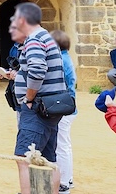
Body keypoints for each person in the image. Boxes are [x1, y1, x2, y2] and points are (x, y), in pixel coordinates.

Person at [11, 2, 65, 194]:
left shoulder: (34, 39)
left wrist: (29, 98)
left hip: (38, 109)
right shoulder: (46, 37)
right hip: (50, 108)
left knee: (23, 159)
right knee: (48, 160)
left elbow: (37, 68)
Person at [51, 30, 77, 193]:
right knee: (62, 144)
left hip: (64, 108)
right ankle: (67, 178)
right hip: (67, 107)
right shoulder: (64, 57)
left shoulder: (60, 59)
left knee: (62, 145)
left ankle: (65, 180)